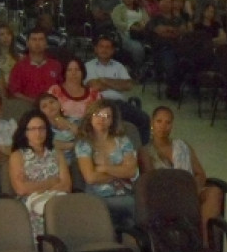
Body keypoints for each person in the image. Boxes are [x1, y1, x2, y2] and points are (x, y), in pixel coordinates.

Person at [138, 106, 223, 246]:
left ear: (172, 125)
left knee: (214, 192)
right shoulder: (145, 151)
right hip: (166, 195)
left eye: (168, 122)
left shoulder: (182, 146)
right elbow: (151, 180)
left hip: (190, 191)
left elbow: (200, 173)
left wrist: (193, 188)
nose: (163, 126)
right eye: (159, 121)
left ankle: (206, 243)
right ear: (152, 123)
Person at [74, 101, 138, 230]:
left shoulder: (122, 140)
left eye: (106, 116)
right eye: (98, 114)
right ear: (90, 117)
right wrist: (120, 170)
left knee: (134, 212)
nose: (101, 119)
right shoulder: (84, 143)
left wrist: (103, 168)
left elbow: (131, 171)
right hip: (97, 197)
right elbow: (91, 178)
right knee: (133, 206)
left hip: (124, 194)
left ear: (112, 121)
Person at [9, 109, 72, 238]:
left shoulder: (57, 153)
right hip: (31, 205)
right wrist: (51, 182)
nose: (38, 133)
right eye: (32, 129)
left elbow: (67, 185)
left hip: (59, 199)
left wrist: (34, 186)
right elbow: (21, 189)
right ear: (24, 132)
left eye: (41, 128)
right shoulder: (17, 156)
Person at [85, 36, 151, 144]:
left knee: (144, 119)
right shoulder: (88, 66)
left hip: (119, 104)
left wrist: (104, 80)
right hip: (98, 104)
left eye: (108, 47)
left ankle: (141, 151)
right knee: (113, 124)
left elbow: (128, 85)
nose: (104, 50)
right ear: (95, 49)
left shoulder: (119, 66)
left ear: (112, 51)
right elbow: (93, 86)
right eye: (101, 46)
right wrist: (117, 83)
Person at [8, 27, 63, 101]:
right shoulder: (19, 67)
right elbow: (14, 93)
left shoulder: (56, 66)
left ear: (46, 43)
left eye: (41, 39)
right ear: (27, 43)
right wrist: (34, 102)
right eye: (34, 39)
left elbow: (62, 89)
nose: (37, 43)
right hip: (27, 108)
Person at [48, 57, 101, 121]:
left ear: (82, 72)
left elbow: (99, 115)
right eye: (69, 70)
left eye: (77, 69)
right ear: (64, 73)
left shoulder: (94, 94)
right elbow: (48, 114)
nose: (73, 73)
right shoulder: (54, 91)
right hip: (59, 128)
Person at [111, 0, 149, 69]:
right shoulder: (118, 9)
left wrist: (142, 25)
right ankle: (137, 68)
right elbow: (116, 22)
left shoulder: (140, 9)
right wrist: (130, 26)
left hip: (141, 32)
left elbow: (147, 21)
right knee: (137, 48)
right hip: (125, 34)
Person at [37, 92, 80, 161]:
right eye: (44, 106)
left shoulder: (75, 120)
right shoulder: (42, 129)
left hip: (80, 158)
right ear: (40, 112)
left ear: (59, 103)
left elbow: (84, 137)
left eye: (52, 102)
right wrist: (75, 145)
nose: (50, 107)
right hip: (56, 162)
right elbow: (51, 145)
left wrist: (68, 124)